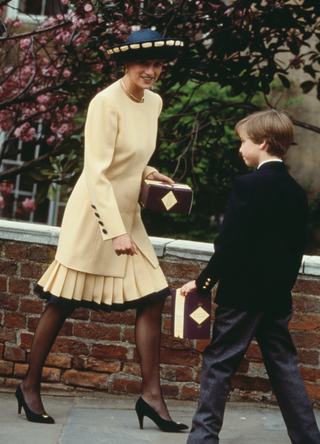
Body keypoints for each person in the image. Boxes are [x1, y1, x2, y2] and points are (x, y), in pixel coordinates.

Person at [15, 28, 188, 433]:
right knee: (62, 302)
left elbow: (128, 158)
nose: (151, 71)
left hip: (129, 216)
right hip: (96, 217)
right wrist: (114, 232)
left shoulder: (155, 102)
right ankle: (29, 384)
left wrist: (149, 172)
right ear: (125, 63)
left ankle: (151, 395)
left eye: (158, 64)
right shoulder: (104, 103)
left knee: (153, 297)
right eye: (144, 63)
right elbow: (96, 170)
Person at [180, 109, 320, 444]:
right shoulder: (297, 191)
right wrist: (281, 287)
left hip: (242, 296)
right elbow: (295, 250)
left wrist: (203, 283)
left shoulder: (247, 185)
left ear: (262, 142)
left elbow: (230, 243)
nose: (240, 149)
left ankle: (202, 439)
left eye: (243, 142)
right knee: (285, 368)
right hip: (276, 297)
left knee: (218, 363)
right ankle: (309, 439)